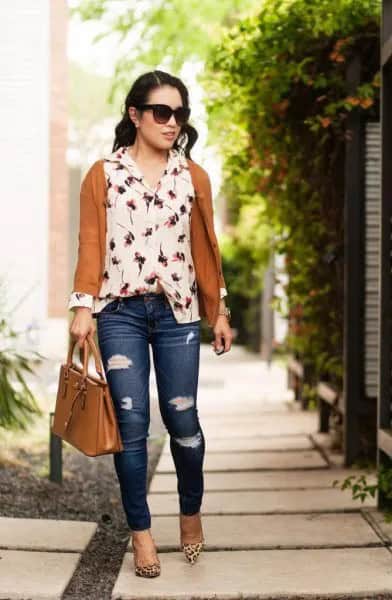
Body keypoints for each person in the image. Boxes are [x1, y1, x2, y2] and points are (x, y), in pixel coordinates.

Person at [68, 69, 232, 578]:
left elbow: (206, 249)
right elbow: (91, 242)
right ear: (135, 115)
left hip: (178, 312)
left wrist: (219, 310)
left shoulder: (194, 176)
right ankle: (141, 535)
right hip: (119, 313)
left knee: (182, 418)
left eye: (179, 113)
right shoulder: (103, 173)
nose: (172, 122)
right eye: (161, 112)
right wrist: (81, 306)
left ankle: (189, 514)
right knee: (133, 423)